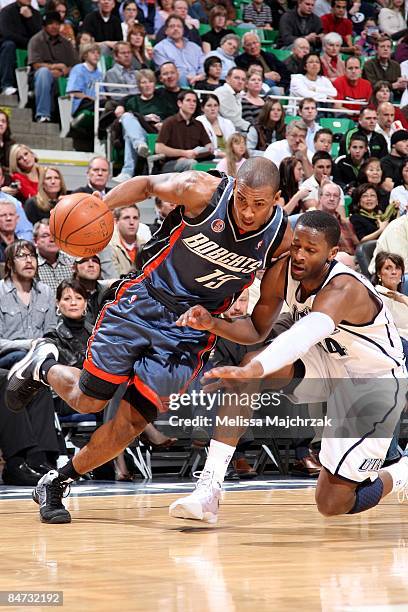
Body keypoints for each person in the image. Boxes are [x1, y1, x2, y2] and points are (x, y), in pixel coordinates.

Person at [6, 157, 291, 523]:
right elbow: (144, 185)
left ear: (277, 199)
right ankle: (43, 367)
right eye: (242, 200)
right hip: (143, 302)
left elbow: (258, 329)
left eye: (260, 204)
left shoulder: (279, 241)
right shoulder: (199, 189)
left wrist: (213, 323)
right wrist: (99, 207)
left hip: (189, 333)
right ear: (233, 186)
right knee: (90, 401)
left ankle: (58, 480)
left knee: (132, 423)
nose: (248, 212)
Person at [169, 210, 407, 523]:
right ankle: (209, 490)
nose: (299, 256)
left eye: (311, 250)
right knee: (250, 366)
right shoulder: (283, 271)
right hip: (325, 361)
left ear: (331, 254)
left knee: (332, 504)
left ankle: (401, 472)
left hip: (371, 381)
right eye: (296, 246)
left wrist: (255, 369)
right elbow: (256, 329)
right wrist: (213, 323)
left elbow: (303, 334)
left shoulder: (344, 289)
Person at [0, 240, 60, 486]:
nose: (29, 261)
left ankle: (39, 459)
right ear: (10, 263)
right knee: (9, 379)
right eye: (22, 256)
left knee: (39, 383)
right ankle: (16, 462)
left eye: (32, 256)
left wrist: (39, 349)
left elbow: (51, 333)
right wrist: (27, 345)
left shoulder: (45, 292)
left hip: (33, 360)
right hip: (4, 360)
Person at [28, 11, 78, 123]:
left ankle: (71, 119)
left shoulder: (66, 43)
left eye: (57, 24)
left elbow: (76, 66)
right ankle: (43, 114)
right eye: (50, 23)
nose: (54, 26)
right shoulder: (36, 40)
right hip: (38, 77)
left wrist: (63, 72)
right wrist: (54, 67)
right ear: (45, 25)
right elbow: (35, 64)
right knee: (44, 72)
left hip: (62, 77)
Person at [155, 90, 213, 172]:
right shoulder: (170, 122)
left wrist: (196, 154)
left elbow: (209, 146)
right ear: (180, 103)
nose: (192, 104)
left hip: (195, 159)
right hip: (171, 163)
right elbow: (159, 148)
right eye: (188, 100)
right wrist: (184, 153)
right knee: (190, 163)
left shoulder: (198, 124)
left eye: (194, 101)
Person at [0, 0, 42, 96]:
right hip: (10, 46)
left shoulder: (35, 14)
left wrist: (29, 19)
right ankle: (6, 85)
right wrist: (28, 42)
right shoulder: (7, 11)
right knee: (9, 45)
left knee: (41, 50)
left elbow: (39, 37)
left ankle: (32, 87)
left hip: (28, 47)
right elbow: (6, 34)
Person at [152, 15, 204, 88]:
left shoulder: (195, 47)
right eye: (172, 26)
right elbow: (167, 72)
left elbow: (203, 66)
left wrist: (199, 76)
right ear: (166, 30)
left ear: (183, 30)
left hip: (199, 82)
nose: (176, 29)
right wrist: (187, 78)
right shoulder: (159, 49)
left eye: (179, 26)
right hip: (176, 87)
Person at [373, 252, 408, 347]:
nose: (394, 272)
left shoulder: (400, 296)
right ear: (379, 274)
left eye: (397, 268)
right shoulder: (377, 298)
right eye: (388, 268)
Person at [110, 204, 151, 276]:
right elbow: (112, 279)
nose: (132, 222)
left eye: (135, 218)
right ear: (116, 222)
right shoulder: (109, 247)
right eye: (126, 218)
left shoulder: (147, 246)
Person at [66, 43, 102, 121]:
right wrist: (93, 99)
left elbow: (102, 94)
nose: (96, 55)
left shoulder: (99, 74)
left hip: (95, 104)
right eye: (93, 52)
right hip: (80, 104)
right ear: (85, 55)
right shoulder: (78, 69)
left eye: (98, 53)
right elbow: (73, 92)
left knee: (108, 104)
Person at [196, 93, 235, 159]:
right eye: (209, 105)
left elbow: (234, 143)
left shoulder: (228, 123)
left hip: (229, 158)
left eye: (215, 105)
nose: (213, 108)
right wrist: (217, 153)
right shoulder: (198, 122)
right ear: (202, 108)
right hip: (208, 158)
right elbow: (199, 147)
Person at [214, 67, 250, 134]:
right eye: (236, 78)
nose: (240, 82)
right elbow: (233, 119)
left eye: (243, 79)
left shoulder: (237, 94)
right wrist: (252, 127)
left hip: (231, 131)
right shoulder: (223, 92)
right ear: (227, 79)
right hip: (221, 133)